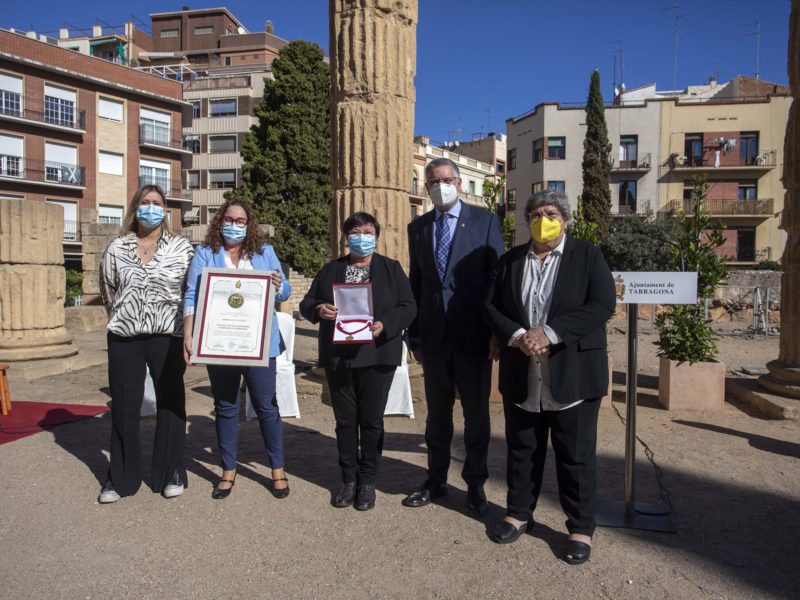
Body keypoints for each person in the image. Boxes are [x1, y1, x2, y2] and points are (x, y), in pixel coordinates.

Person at [483, 190, 615, 564]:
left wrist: (551, 333)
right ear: (527, 220)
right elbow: (490, 304)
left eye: (551, 213)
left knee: (575, 455)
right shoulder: (510, 261)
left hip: (572, 372)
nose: (543, 219)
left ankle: (580, 528)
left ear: (566, 220)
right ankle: (519, 512)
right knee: (523, 448)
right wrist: (516, 336)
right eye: (536, 213)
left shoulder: (587, 256)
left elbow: (603, 304)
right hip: (523, 371)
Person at [403, 157, 504, 516]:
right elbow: (417, 282)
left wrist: (496, 332)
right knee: (437, 415)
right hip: (433, 337)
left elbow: (497, 279)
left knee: (476, 415)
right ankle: (436, 479)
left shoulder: (486, 221)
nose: (438, 186)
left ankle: (476, 485)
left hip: (474, 336)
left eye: (445, 180)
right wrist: (412, 334)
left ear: (459, 183)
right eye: (432, 181)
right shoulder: (418, 228)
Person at [300, 212, 416, 511]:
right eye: (354, 230)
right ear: (345, 236)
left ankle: (367, 482)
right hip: (339, 357)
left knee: (372, 421)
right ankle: (348, 479)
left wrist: (385, 325)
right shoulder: (331, 270)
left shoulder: (391, 269)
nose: (360, 236)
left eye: (366, 231)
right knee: (344, 422)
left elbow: (409, 307)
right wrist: (319, 308)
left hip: (377, 355)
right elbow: (307, 303)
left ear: (376, 236)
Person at [183, 199, 292, 500]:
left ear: (249, 224)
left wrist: (278, 282)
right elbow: (191, 294)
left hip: (260, 344)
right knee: (226, 406)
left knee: (266, 406)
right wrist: (188, 334)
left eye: (241, 221)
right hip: (218, 343)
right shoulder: (205, 253)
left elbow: (284, 291)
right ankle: (228, 470)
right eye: (229, 219)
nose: (235, 224)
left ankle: (277, 469)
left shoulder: (264, 252)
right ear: (220, 221)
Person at [98, 184, 194, 503]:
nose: (150, 207)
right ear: (135, 208)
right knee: (125, 406)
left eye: (157, 202)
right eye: (145, 202)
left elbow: (192, 292)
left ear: (165, 210)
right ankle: (121, 477)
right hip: (126, 337)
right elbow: (109, 291)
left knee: (170, 403)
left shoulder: (181, 248)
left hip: (167, 335)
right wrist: (129, 317)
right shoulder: (116, 248)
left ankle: (171, 471)